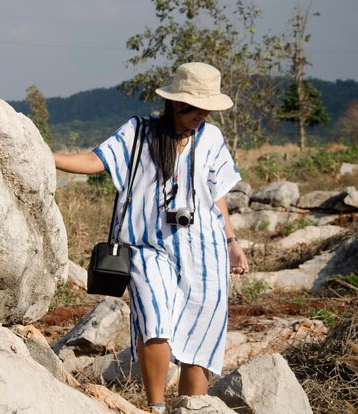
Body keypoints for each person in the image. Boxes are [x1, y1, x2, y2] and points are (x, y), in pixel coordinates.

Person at [53, 62, 249, 413]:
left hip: (205, 251)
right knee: (154, 321)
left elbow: (216, 194)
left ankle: (191, 408)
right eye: (196, 107)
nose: (202, 115)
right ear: (176, 103)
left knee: (200, 340)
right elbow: (96, 160)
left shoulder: (212, 139)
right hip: (147, 246)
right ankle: (156, 407)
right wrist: (46, 156)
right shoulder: (139, 132)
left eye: (208, 108)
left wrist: (232, 243)